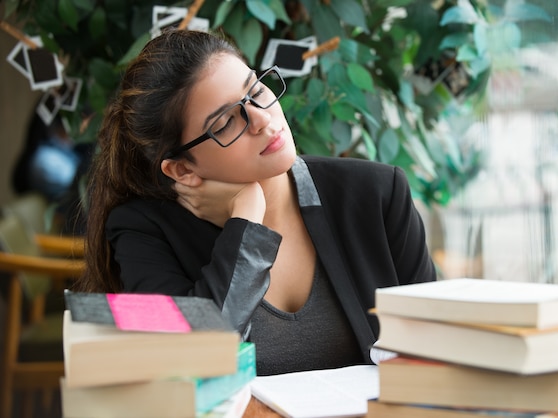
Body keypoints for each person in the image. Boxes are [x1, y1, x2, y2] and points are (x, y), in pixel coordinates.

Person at [77, 29, 436, 376]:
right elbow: (191, 362)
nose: (262, 119)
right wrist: (247, 221)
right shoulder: (146, 231)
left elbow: (435, 350)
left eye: (256, 91)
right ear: (182, 169)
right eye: (225, 123)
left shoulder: (377, 193)